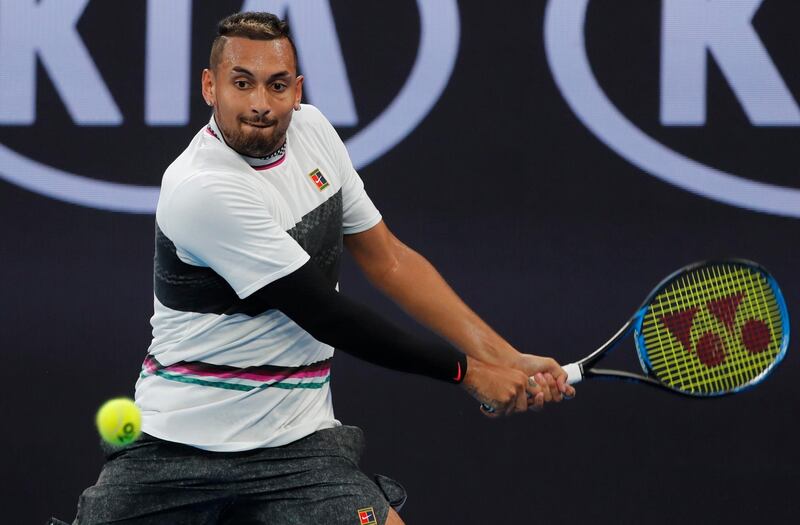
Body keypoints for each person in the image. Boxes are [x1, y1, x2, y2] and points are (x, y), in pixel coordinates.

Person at [70, 12, 576, 525]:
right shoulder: (202, 188)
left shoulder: (314, 133)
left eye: (277, 85)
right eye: (241, 83)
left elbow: (391, 260)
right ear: (210, 86)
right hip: (177, 449)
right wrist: (469, 374)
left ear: (297, 89)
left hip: (298, 446)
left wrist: (504, 356)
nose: (260, 104)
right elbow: (326, 315)